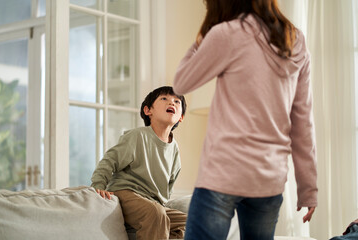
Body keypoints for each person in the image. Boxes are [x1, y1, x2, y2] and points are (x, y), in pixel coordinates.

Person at [173, 0, 317, 239]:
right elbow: (302, 122)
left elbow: (181, 83)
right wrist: (308, 188)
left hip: (223, 173)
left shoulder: (227, 33)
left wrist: (205, 33)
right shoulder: (295, 40)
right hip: (268, 178)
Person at [91, 86, 187, 240]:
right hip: (126, 193)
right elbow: (109, 161)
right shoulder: (137, 136)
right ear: (148, 111)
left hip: (153, 204)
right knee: (155, 213)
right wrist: (98, 185)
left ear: (181, 116)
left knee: (187, 222)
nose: (172, 103)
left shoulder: (174, 149)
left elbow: (169, 184)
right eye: (164, 99)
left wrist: (160, 203)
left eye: (177, 101)